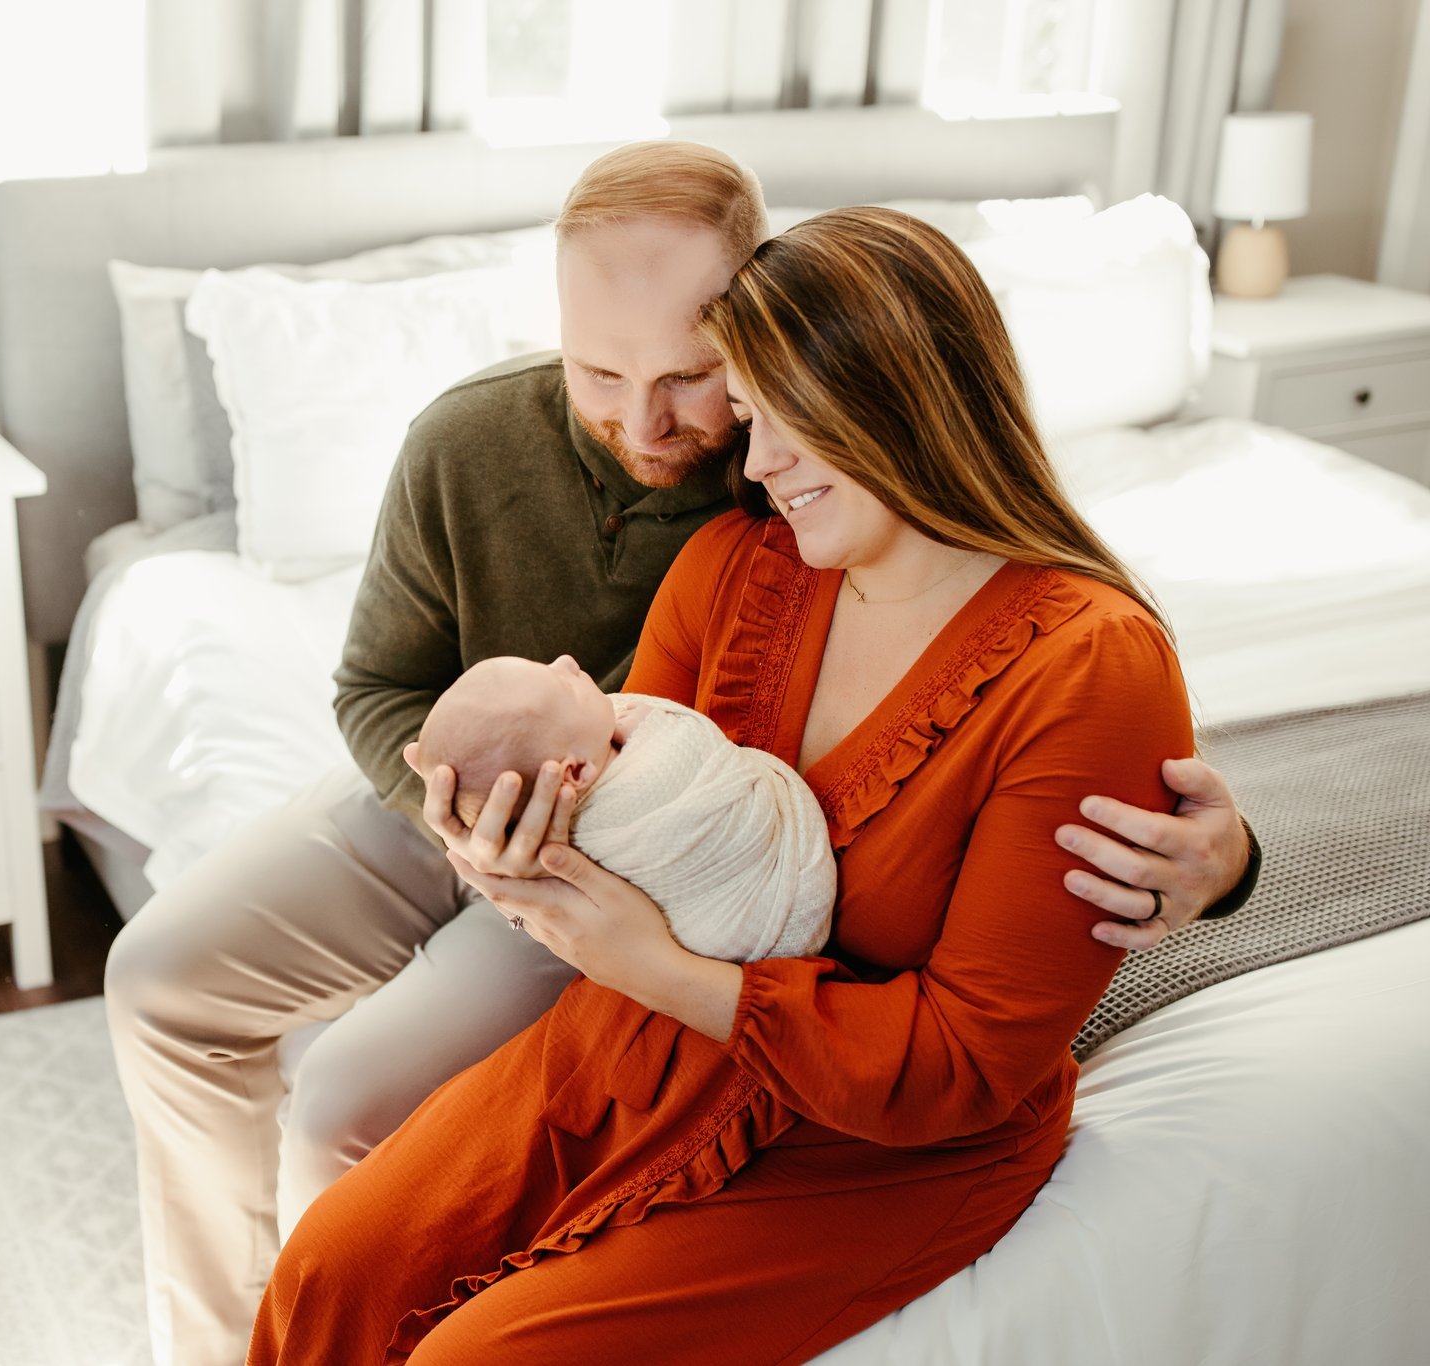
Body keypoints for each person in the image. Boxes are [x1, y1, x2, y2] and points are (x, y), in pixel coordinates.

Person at [103, 144, 1259, 1366]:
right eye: (605, 370)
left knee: (423, 1264)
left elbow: (971, 1042)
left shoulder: (1072, 657)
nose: (736, 462)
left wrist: (1228, 863)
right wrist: (496, 838)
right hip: (562, 938)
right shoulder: (709, 549)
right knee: (322, 1246)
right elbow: (406, 699)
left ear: (893, 399)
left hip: (858, 1127)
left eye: (723, 394)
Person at [415, 654, 836, 963]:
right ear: (575, 771)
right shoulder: (640, 776)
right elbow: (696, 743)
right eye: (562, 683)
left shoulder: (586, 747)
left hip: (690, 950)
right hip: (767, 913)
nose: (565, 661)